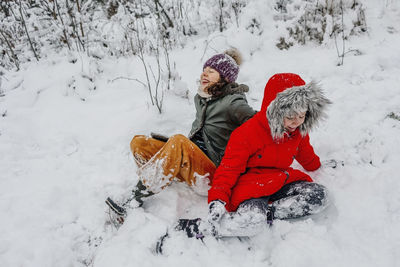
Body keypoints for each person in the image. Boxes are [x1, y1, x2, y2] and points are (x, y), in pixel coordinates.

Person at [106, 48, 256, 224]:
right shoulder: (203, 98)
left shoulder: (234, 102)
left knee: (178, 141)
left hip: (212, 174)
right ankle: (160, 177)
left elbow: (257, 123)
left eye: (211, 71)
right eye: (204, 69)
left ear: (225, 78)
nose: (204, 74)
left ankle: (136, 198)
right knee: (139, 143)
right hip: (192, 165)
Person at [203, 73, 332, 237]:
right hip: (250, 188)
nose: (297, 122)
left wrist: (319, 167)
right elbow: (228, 170)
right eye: (290, 117)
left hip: (280, 180)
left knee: (319, 196)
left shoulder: (297, 131)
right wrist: (217, 200)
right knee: (252, 222)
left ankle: (269, 213)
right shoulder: (246, 134)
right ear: (274, 111)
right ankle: (205, 228)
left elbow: (305, 153)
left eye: (301, 116)